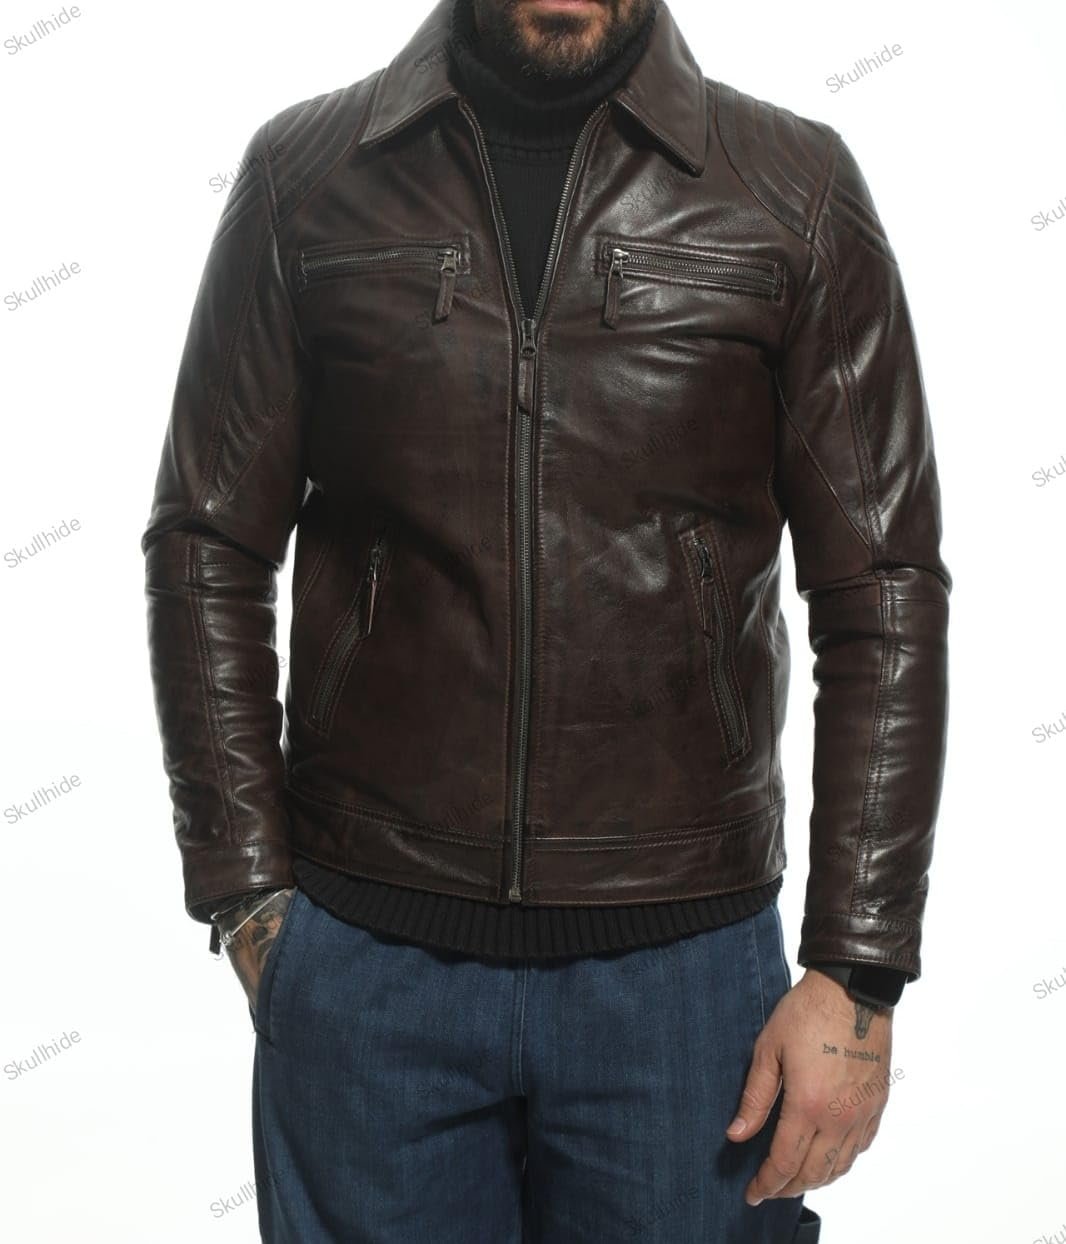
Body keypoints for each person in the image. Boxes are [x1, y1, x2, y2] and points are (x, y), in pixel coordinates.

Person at [141, 0, 950, 1239]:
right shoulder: (306, 179)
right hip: (370, 962)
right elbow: (207, 539)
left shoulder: (790, 192)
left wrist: (857, 967)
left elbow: (880, 589)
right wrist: (247, 894)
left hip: (683, 979)